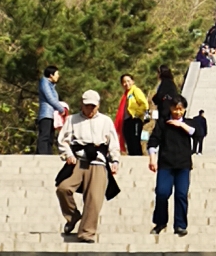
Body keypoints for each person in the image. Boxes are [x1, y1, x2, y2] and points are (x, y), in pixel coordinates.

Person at [56, 90, 121, 243]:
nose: (90, 109)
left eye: (93, 106)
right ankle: (72, 216)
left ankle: (87, 232)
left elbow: (113, 143)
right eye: (87, 106)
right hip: (78, 161)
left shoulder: (105, 121)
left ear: (98, 106)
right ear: (82, 104)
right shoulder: (72, 120)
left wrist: (115, 161)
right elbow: (63, 140)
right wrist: (68, 154)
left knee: (94, 198)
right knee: (63, 188)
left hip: (98, 162)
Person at [148, 96, 195, 237]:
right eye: (175, 108)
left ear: (185, 109)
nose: (178, 112)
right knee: (162, 192)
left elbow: (197, 132)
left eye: (181, 109)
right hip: (166, 164)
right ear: (170, 108)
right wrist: (152, 158)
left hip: (183, 165)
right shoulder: (163, 123)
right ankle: (160, 222)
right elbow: (153, 141)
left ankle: (180, 225)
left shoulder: (189, 123)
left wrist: (181, 125)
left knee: (181, 194)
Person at [116, 73, 149, 157]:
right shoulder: (126, 94)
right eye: (124, 82)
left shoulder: (135, 91)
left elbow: (144, 104)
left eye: (128, 81)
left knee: (135, 141)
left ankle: (138, 160)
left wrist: (136, 113)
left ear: (133, 81)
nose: (126, 83)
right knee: (129, 141)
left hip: (135, 120)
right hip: (127, 120)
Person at [37, 67, 64, 156]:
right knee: (44, 136)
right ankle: (42, 155)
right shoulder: (44, 82)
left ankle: (48, 154)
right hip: (46, 114)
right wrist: (61, 109)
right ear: (51, 75)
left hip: (52, 115)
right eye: (57, 74)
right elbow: (50, 98)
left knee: (50, 137)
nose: (58, 76)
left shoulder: (52, 86)